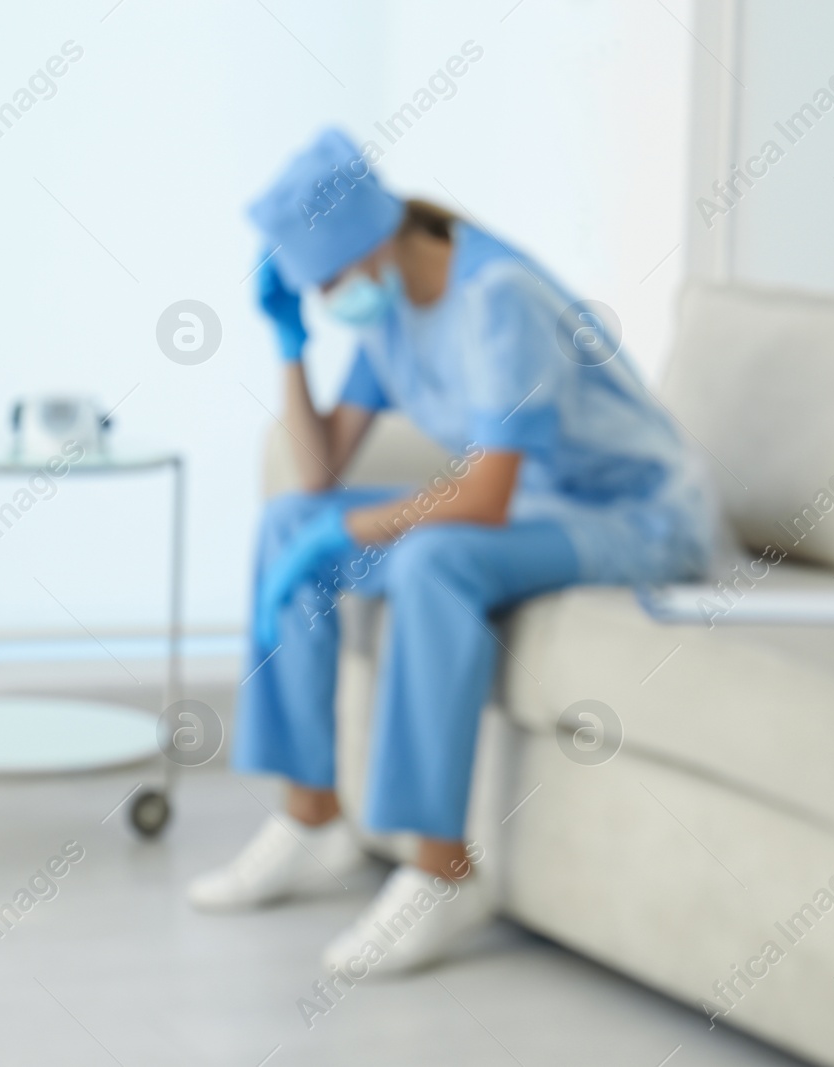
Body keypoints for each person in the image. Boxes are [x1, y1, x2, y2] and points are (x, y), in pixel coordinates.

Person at [188, 128, 718, 975]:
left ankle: (441, 872)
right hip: (534, 509)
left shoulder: (495, 296)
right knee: (291, 521)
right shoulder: (386, 309)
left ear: (365, 245)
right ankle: (310, 817)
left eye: (322, 282)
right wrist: (288, 347)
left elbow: (485, 496)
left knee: (436, 559)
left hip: (637, 517)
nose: (324, 298)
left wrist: (351, 532)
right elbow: (322, 466)